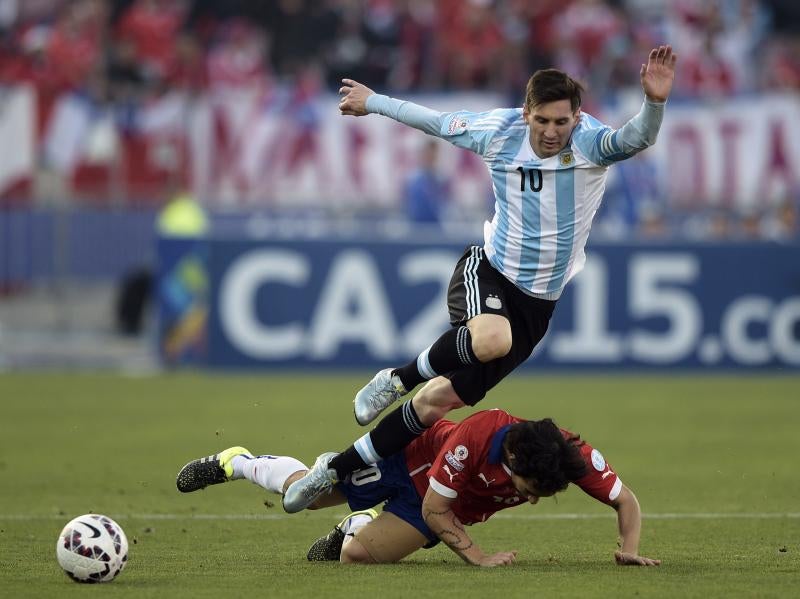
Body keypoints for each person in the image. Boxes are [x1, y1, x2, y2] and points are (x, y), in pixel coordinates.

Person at [283, 45, 678, 513]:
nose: (553, 133)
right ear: (526, 112)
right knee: (491, 338)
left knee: (436, 402)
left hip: (538, 305)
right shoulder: (498, 131)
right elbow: (433, 120)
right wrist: (374, 101)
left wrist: (654, 103)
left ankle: (335, 469)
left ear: (577, 117)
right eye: (543, 121)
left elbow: (635, 138)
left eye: (562, 122)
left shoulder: (589, 143)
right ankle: (395, 378)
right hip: (489, 270)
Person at [176, 409, 660, 567]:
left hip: (443, 506)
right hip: (406, 466)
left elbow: (626, 500)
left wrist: (630, 549)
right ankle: (237, 462)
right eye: (529, 488)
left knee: (355, 558)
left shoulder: (563, 454)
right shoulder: (476, 437)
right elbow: (434, 510)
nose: (530, 499)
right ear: (512, 457)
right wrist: (479, 558)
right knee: (304, 498)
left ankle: (357, 527)